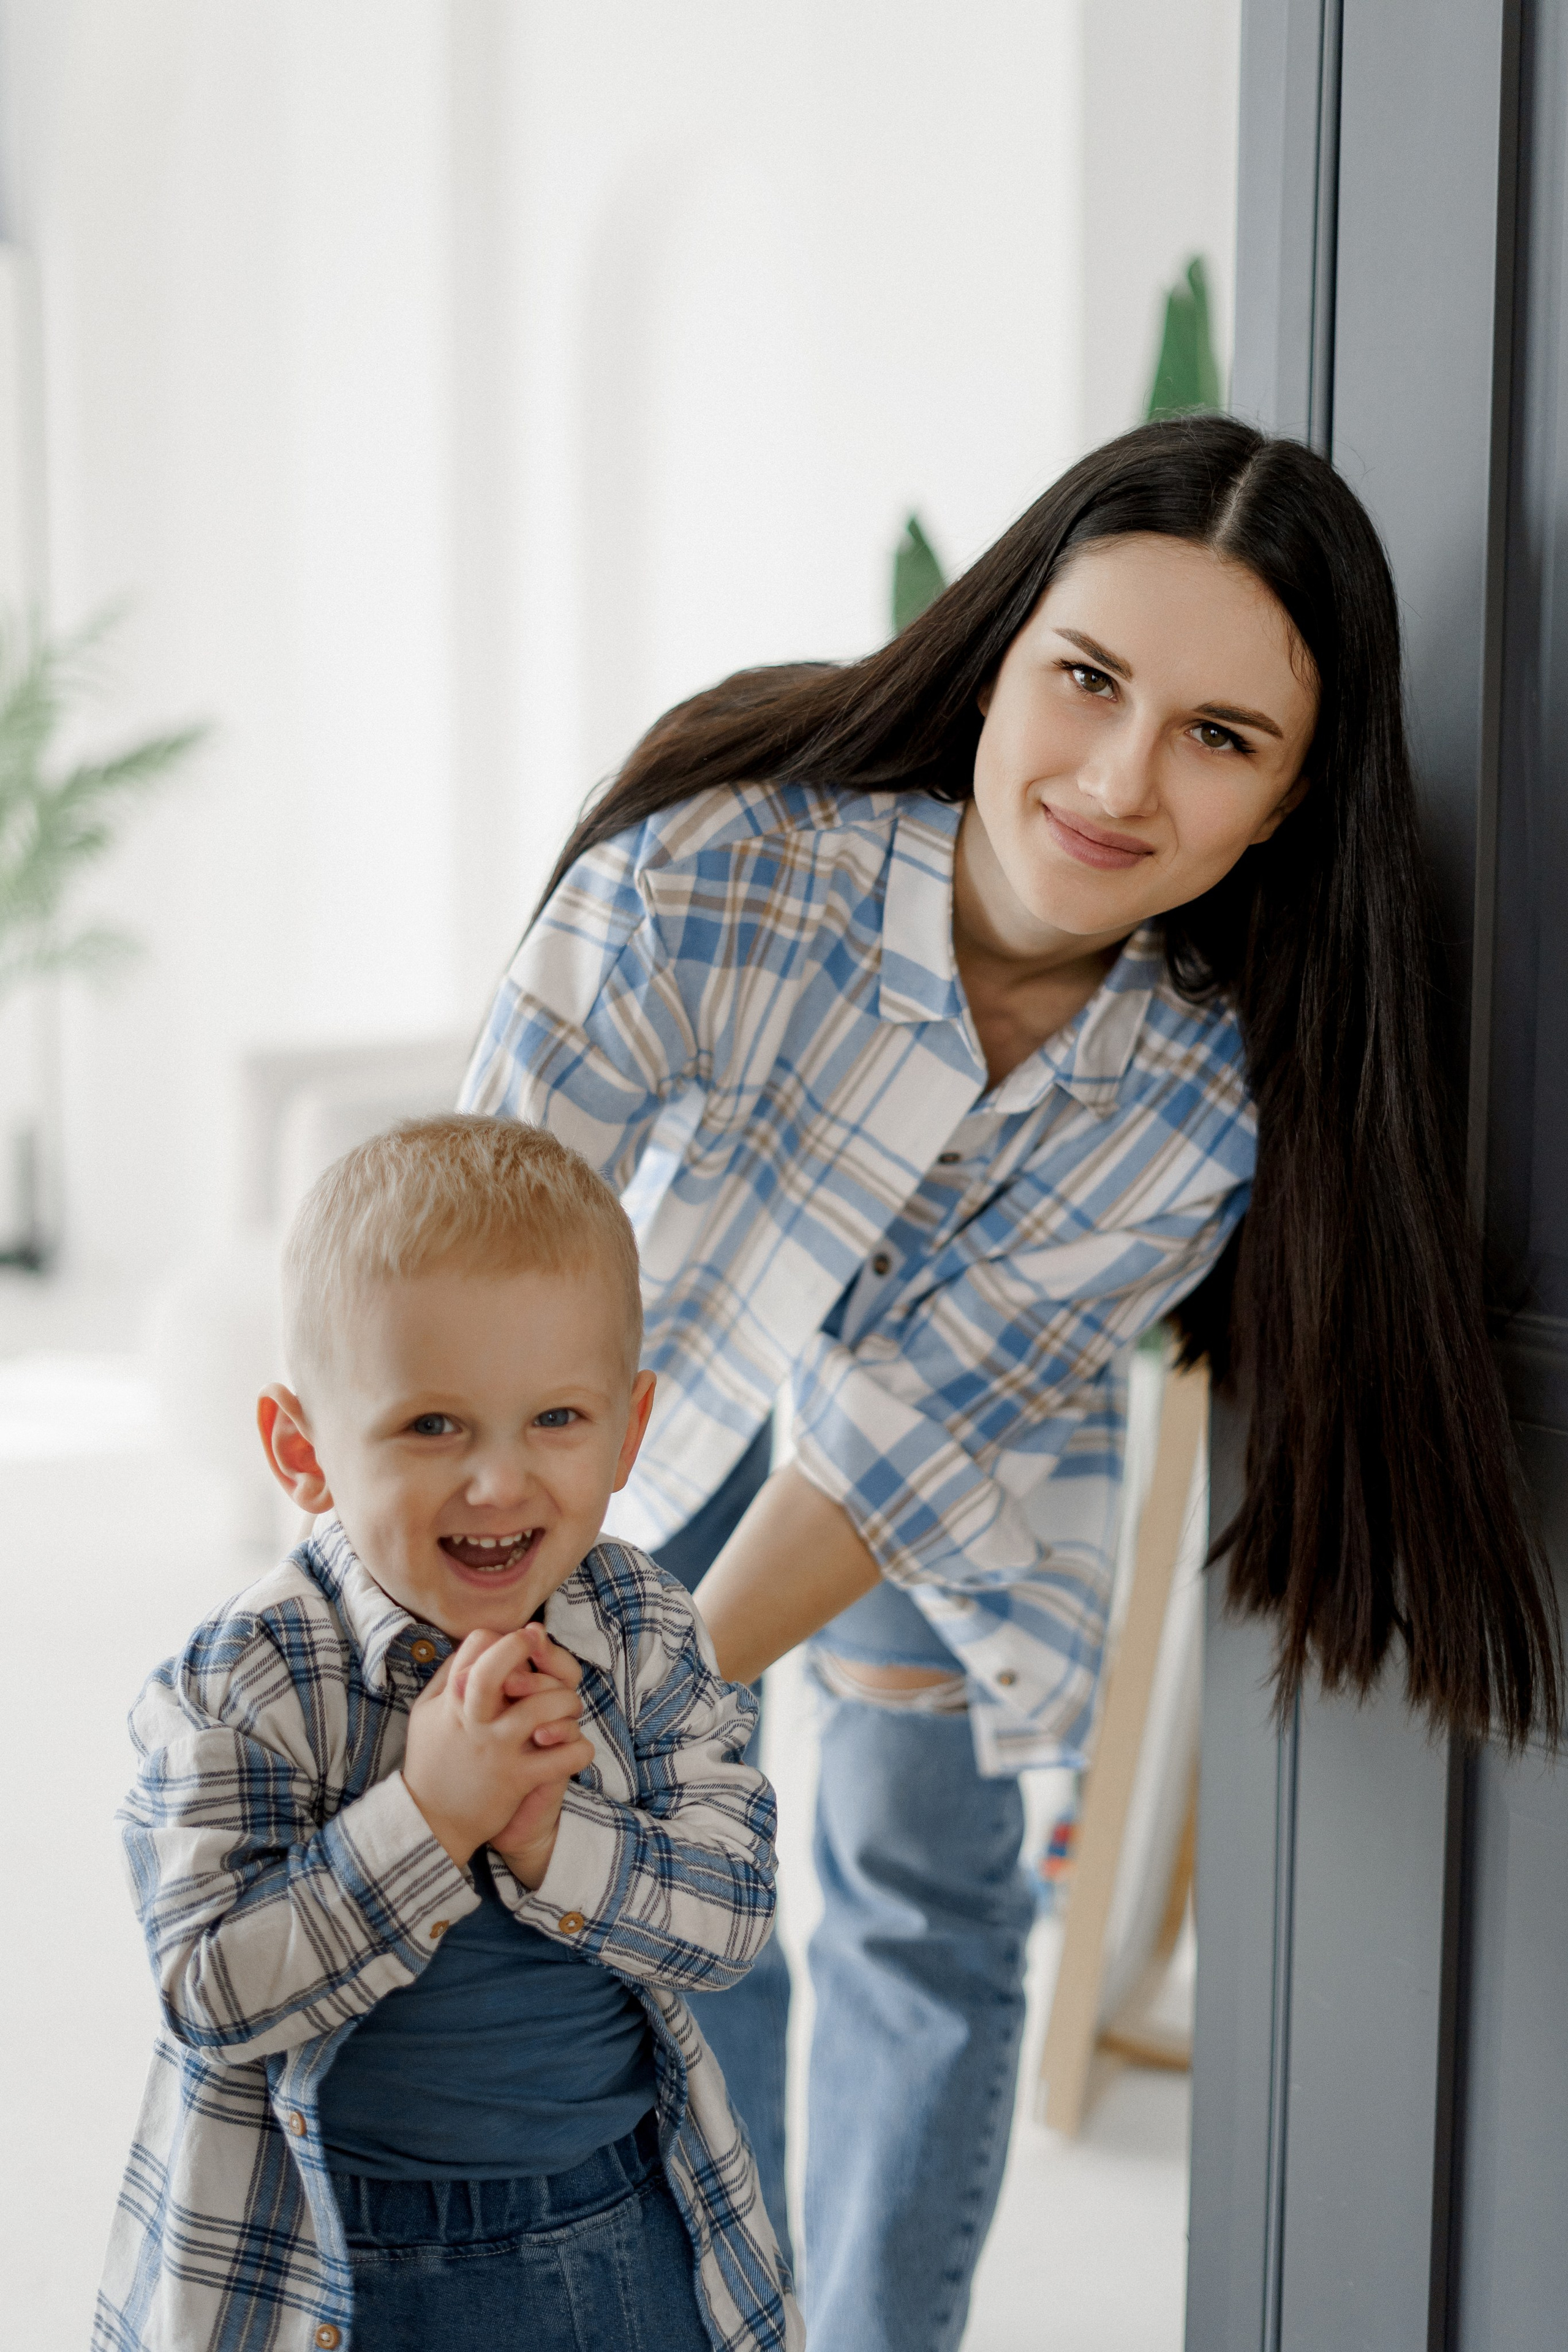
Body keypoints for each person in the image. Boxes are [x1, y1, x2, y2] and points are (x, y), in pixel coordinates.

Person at [461, 414, 1562, 2351]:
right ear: (1001, 654)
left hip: (928, 1469)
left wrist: (630, 1718)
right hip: (645, 1361)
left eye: (1222, 738)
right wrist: (507, 1671)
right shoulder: (714, 868)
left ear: (1289, 804)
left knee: (912, 1899)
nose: (1121, 780)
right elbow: (478, 1253)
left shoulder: (1194, 1097)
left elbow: (890, 1449)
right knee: (683, 1897)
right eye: (1090, 680)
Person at [96, 1115, 802, 2352]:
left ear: (629, 1430)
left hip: (616, 2224)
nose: (497, 1482)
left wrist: (553, 1845)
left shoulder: (644, 1637)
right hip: (344, 2263)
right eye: (433, 1427)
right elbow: (207, 1991)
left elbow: (732, 1914)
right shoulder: (245, 1680)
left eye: (555, 1421)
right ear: (302, 1451)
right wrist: (425, 1818)